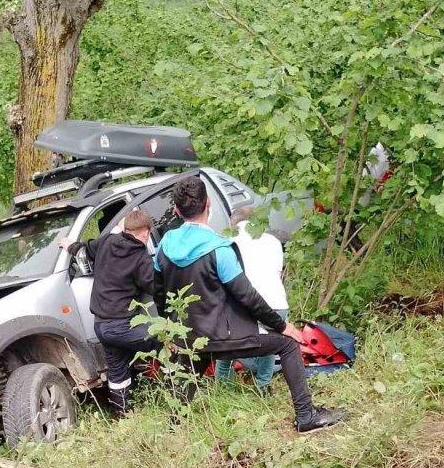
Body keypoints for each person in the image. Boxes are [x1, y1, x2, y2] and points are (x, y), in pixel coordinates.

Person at [154, 177, 347, 434]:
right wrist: (282, 325)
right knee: (288, 344)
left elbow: (158, 293)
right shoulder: (219, 248)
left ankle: (174, 425)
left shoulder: (164, 248)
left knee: (195, 360)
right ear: (208, 204)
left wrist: (169, 331)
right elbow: (246, 296)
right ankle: (306, 416)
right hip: (225, 336)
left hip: (191, 338)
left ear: (176, 210)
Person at [59, 210, 158, 416]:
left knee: (118, 369)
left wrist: (69, 245)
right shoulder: (140, 258)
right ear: (146, 233)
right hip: (124, 326)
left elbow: (84, 249)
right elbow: (156, 287)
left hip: (102, 326)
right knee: (165, 342)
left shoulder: (107, 242)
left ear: (125, 229)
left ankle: (123, 414)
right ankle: (175, 395)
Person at [215, 207, 289, 393]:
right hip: (277, 306)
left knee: (225, 351)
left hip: (245, 307)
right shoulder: (273, 241)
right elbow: (278, 276)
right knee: (270, 345)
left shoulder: (226, 243)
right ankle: (263, 385)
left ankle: (224, 392)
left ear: (232, 224)